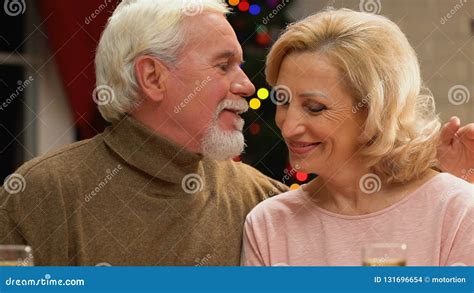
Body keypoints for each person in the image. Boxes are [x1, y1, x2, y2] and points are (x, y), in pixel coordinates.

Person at [0, 1, 472, 266]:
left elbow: (368, 204)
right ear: (153, 77)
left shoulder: (257, 200)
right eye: (224, 65)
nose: (250, 88)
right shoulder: (45, 191)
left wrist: (441, 185)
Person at [241, 8, 474, 266]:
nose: (288, 127)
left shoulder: (458, 210)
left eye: (315, 107)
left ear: (376, 110)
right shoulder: (269, 224)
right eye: (283, 102)